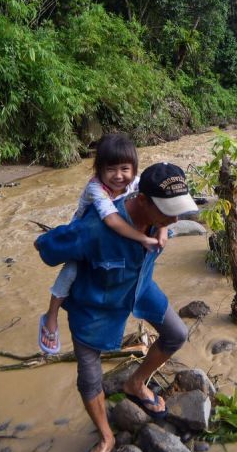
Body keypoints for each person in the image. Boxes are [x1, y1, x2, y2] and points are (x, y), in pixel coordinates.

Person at [34, 162, 198, 452]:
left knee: (176, 333)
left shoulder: (159, 221)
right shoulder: (95, 229)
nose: (175, 219)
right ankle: (106, 436)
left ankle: (135, 383)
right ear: (143, 200)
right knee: (89, 377)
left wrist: (163, 227)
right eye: (168, 212)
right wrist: (64, 242)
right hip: (94, 307)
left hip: (139, 288)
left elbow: (167, 223)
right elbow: (46, 247)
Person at [38, 134, 167, 354]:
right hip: (84, 234)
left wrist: (163, 228)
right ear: (99, 170)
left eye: (125, 169)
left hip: (114, 233)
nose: (118, 176)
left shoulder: (136, 182)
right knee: (70, 271)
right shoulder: (95, 188)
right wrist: (143, 238)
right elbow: (111, 220)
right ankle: (50, 317)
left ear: (134, 169)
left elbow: (159, 201)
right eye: (111, 169)